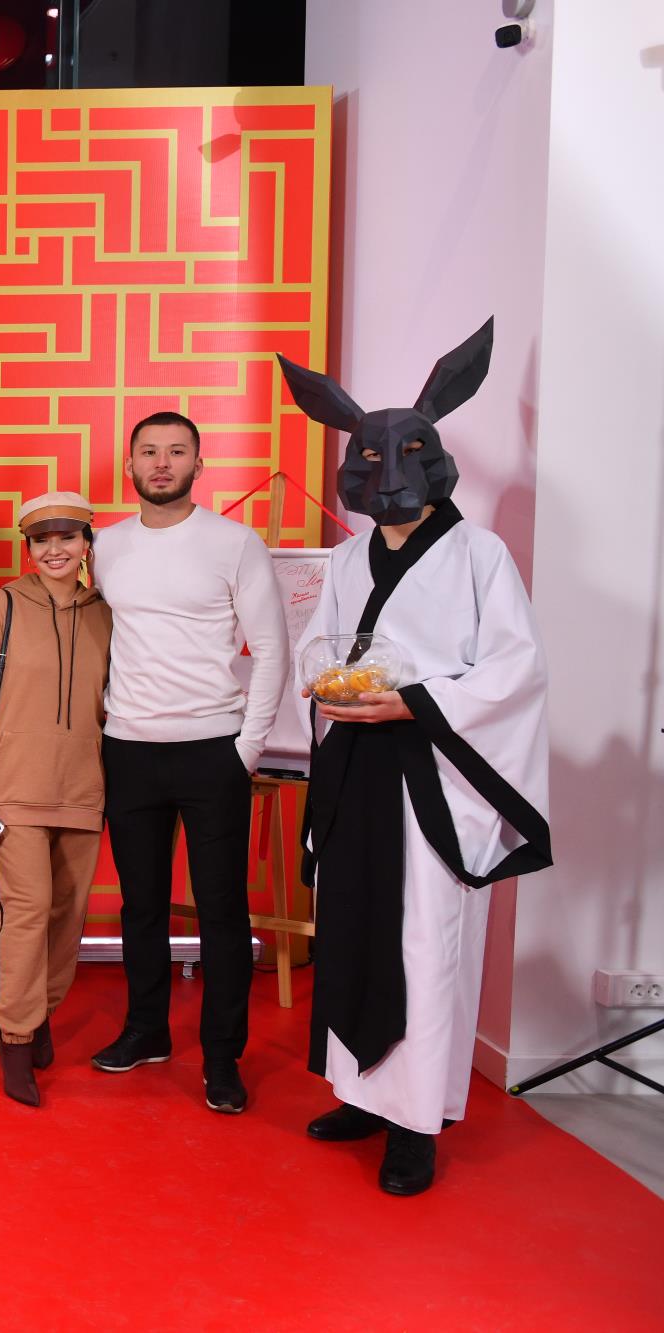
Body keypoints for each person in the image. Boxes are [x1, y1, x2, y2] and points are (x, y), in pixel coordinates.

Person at [279, 321, 551, 1196]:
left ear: (433, 463)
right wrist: (325, 681)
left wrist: (415, 701)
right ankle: (360, 1090)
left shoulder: (480, 555)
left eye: (405, 458)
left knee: (424, 937)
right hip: (356, 763)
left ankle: (416, 1121)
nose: (389, 478)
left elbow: (515, 667)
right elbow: (319, 644)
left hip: (433, 768)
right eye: (372, 460)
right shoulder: (348, 557)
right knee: (352, 923)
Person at [86, 412, 287, 1115]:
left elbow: (272, 649)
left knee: (222, 910)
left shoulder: (235, 543)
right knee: (140, 904)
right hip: (129, 747)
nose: (162, 462)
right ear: (130, 465)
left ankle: (222, 1057)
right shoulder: (106, 546)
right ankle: (146, 1030)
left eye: (177, 452)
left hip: (213, 750)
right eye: (149, 451)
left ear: (199, 465)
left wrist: (247, 748)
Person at [0, 491, 112, 1106]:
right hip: (12, 791)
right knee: (25, 911)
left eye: (66, 537)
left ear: (86, 543)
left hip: (83, 789)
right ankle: (15, 1037)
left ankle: (40, 1011)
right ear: (29, 547)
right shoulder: (4, 605)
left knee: (67, 916)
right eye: (41, 540)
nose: (54, 550)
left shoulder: (107, 613)